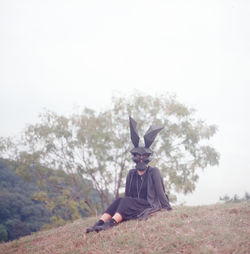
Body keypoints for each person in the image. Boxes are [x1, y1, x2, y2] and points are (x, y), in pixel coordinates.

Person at [86, 116, 172, 233]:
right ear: (134, 156)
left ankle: (109, 224)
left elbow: (160, 192)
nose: (141, 158)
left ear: (148, 157)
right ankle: (99, 223)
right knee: (120, 200)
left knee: (125, 201)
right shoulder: (131, 174)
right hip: (134, 204)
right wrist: (124, 206)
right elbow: (127, 197)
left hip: (147, 204)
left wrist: (168, 207)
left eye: (144, 156)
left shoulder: (154, 172)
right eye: (138, 156)